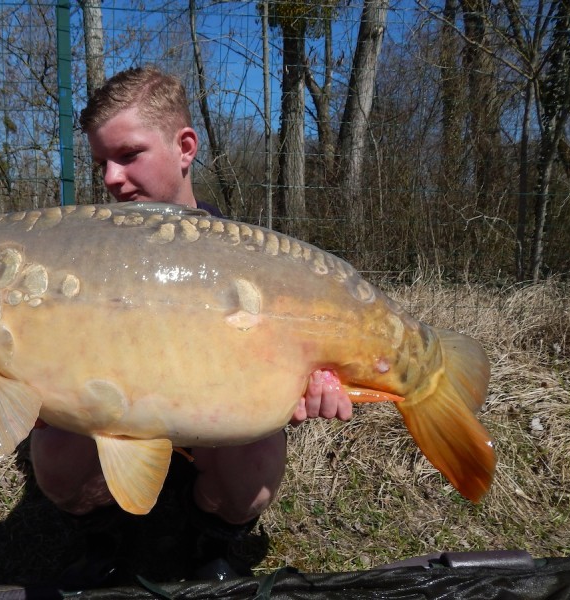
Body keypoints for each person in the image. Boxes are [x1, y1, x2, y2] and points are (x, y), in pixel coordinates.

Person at [29, 66, 352, 586]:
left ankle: (213, 542)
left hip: (213, 429)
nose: (111, 178)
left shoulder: (249, 259)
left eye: (129, 155)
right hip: (115, 418)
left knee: (260, 452)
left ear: (184, 147)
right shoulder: (81, 254)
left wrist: (304, 386)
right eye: (102, 162)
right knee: (53, 450)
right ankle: (105, 543)